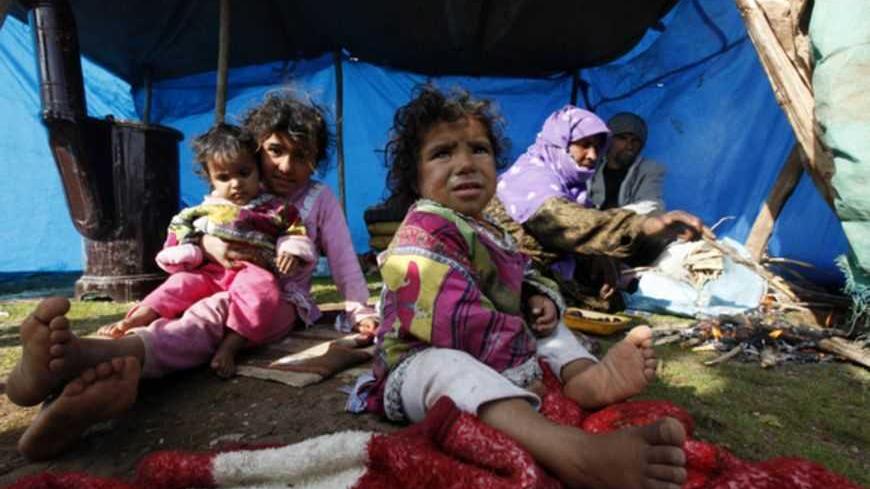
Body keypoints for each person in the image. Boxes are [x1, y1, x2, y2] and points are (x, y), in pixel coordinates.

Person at [5, 90, 378, 461]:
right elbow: (199, 223)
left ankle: (92, 356)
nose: (285, 166)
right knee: (178, 297)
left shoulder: (318, 198)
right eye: (276, 151)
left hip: (277, 301)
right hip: (214, 275)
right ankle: (58, 382)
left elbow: (344, 260)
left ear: (315, 160)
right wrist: (209, 244)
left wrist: (360, 312)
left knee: (212, 312)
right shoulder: (240, 181)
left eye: (301, 156)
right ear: (256, 149)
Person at [351, 85, 687, 489]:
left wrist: (537, 297)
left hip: (498, 346)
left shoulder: (492, 230)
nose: (465, 164)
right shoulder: (425, 227)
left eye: (479, 149)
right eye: (442, 153)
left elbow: (522, 272)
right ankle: (572, 452)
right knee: (449, 369)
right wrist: (524, 355)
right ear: (415, 179)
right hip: (422, 359)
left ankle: (587, 378)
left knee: (553, 329)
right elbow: (450, 322)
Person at [98, 123, 316, 378]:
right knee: (178, 284)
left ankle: (231, 346)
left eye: (244, 173)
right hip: (209, 271)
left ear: (258, 168)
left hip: (250, 270)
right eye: (224, 178)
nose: (236, 184)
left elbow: (294, 230)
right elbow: (179, 228)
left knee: (263, 291)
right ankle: (134, 320)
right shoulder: (202, 210)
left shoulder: (276, 209)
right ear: (210, 178)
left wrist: (291, 250)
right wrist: (190, 249)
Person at [487, 107, 709, 311]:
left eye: (597, 147)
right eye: (584, 145)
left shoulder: (572, 182)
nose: (592, 155)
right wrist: (650, 224)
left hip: (554, 266)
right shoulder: (531, 178)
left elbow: (585, 218)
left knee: (612, 300)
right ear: (560, 143)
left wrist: (603, 257)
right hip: (515, 276)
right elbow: (563, 221)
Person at [587, 111, 665, 215]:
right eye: (622, 138)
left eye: (635, 140)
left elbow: (651, 204)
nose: (629, 146)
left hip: (627, 227)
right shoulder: (590, 164)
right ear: (609, 140)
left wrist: (610, 217)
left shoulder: (649, 169)